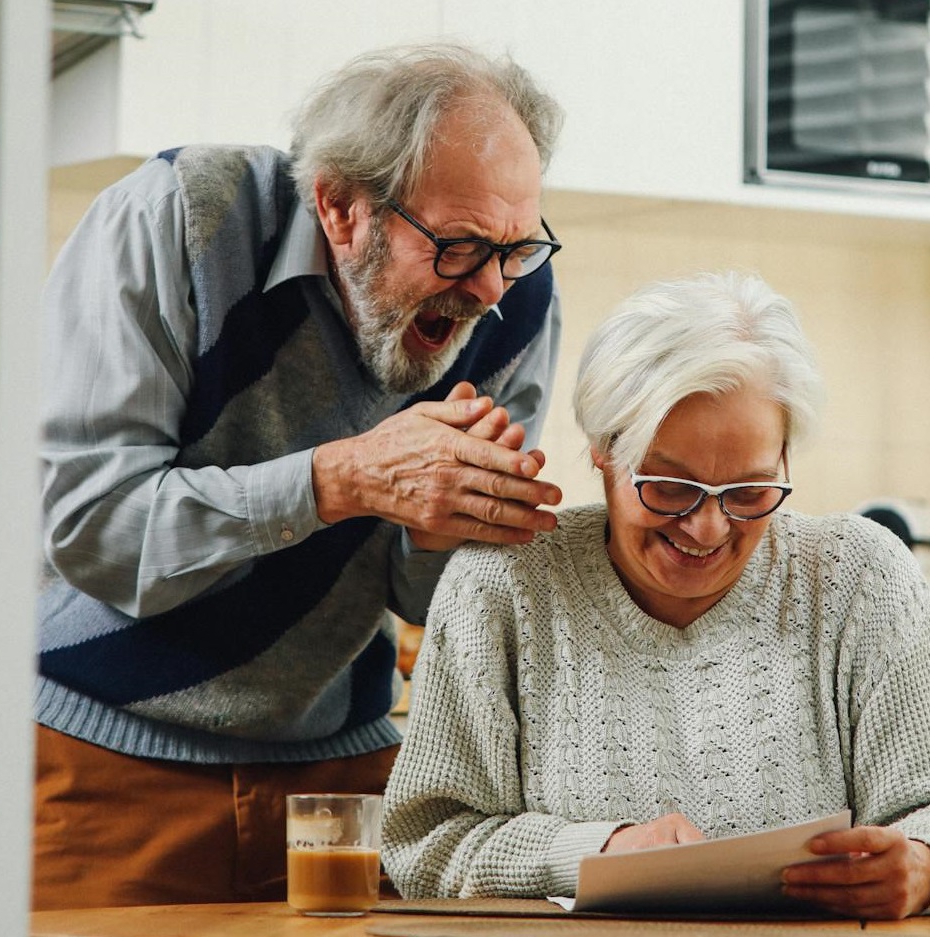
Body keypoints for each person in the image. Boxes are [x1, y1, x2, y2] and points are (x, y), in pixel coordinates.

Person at [33, 43, 566, 909]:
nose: (491, 290)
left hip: (345, 782)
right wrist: (340, 479)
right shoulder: (181, 221)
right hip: (100, 764)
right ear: (340, 207)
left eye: (515, 247)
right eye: (461, 245)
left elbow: (432, 598)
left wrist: (442, 533)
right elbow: (95, 528)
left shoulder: (515, 303)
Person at [381, 271, 930, 920]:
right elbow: (424, 845)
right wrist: (601, 849)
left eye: (749, 492)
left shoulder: (861, 578)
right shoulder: (500, 587)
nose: (707, 527)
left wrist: (925, 865)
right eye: (669, 486)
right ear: (604, 452)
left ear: (784, 462)